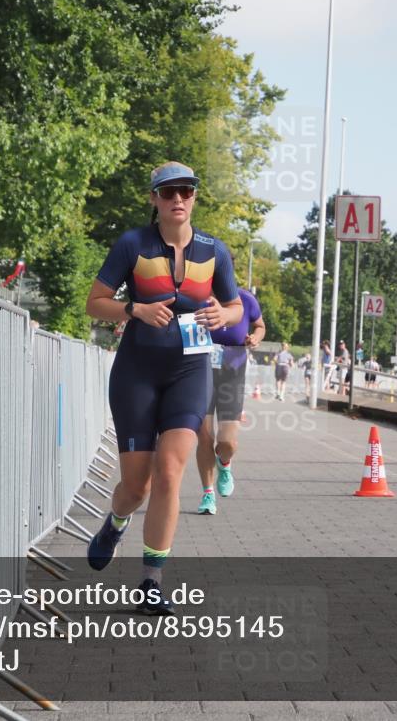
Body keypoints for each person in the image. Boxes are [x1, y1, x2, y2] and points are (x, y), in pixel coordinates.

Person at [84, 161, 243, 615]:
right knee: (138, 486)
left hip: (189, 372)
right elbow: (94, 302)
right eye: (168, 192)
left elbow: (235, 309)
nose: (178, 199)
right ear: (153, 198)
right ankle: (115, 523)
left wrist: (223, 317)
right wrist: (134, 310)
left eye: (186, 191)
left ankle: (151, 580)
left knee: (171, 472)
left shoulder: (215, 251)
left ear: (194, 197)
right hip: (137, 371)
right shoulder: (133, 244)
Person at [195, 286, 265, 515]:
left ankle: (224, 463)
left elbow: (260, 325)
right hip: (201, 371)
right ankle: (207, 494)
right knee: (204, 437)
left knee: (228, 442)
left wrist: (255, 337)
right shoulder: (198, 297)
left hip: (233, 373)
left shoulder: (244, 299)